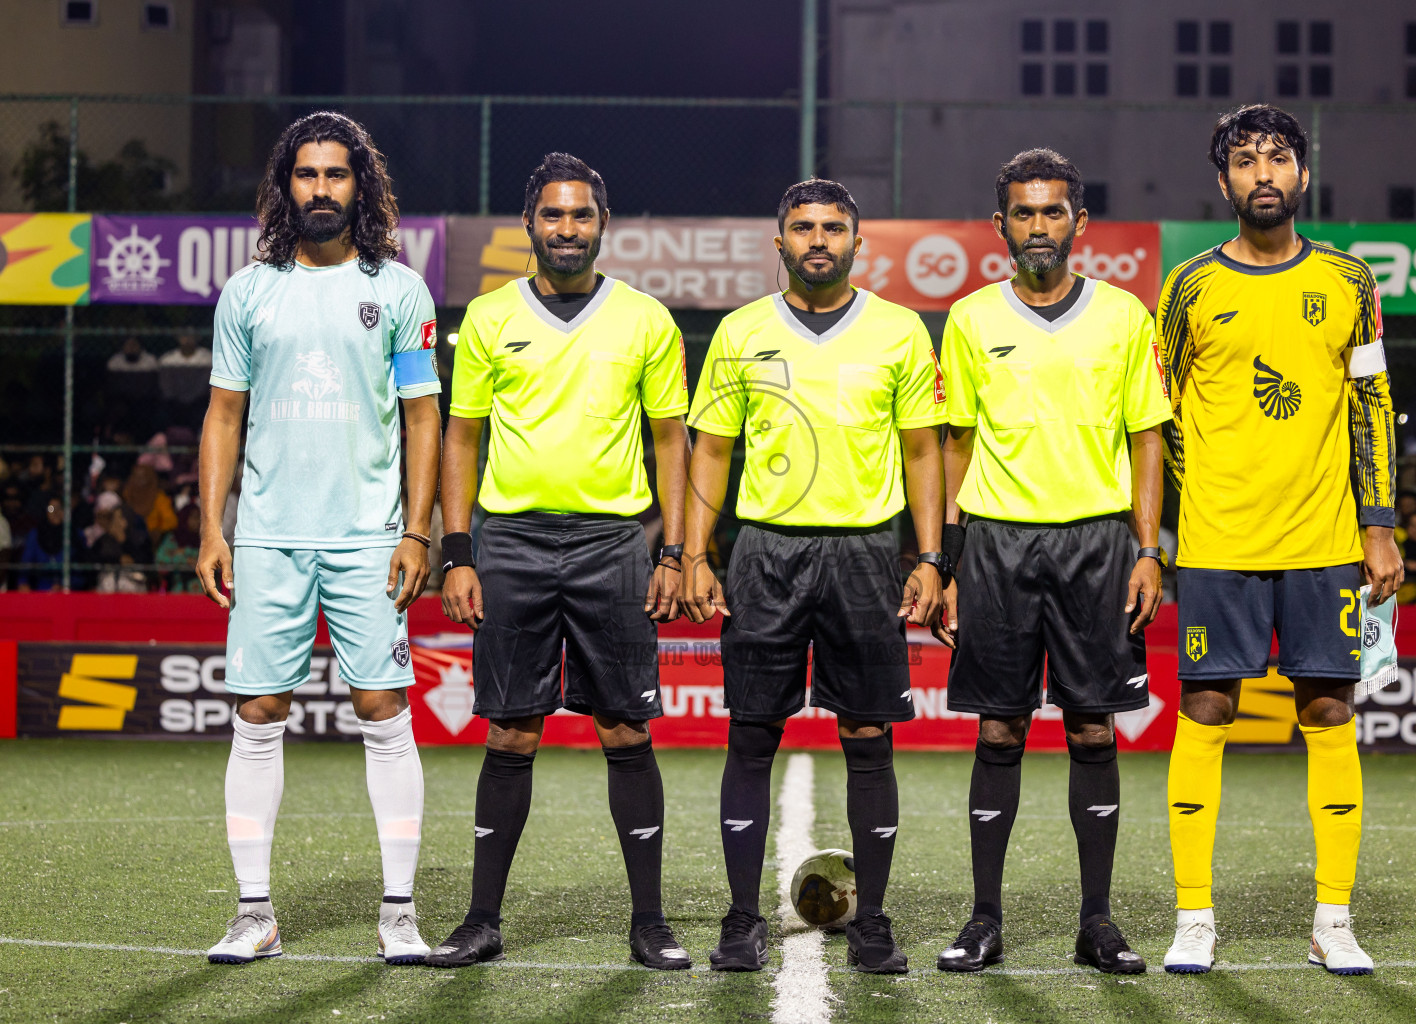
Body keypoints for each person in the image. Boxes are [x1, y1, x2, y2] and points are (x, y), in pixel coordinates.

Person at [426, 153, 693, 971]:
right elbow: (460, 436)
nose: (567, 229)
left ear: (602, 224)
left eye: (581, 215)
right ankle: (481, 920)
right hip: (509, 543)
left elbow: (671, 441)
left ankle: (648, 922)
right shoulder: (488, 315)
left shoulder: (646, 320)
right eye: (553, 215)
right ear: (529, 223)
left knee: (624, 726)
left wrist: (677, 552)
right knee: (510, 730)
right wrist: (459, 549)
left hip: (613, 544)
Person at [1157, 105, 1401, 976]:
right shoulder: (1188, 286)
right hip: (1219, 544)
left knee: (1330, 712)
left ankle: (1332, 919)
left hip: (1326, 539)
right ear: (1222, 181)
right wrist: (1184, 517)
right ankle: (1194, 917)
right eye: (1246, 159)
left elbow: (1371, 405)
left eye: (1280, 157)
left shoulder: (1350, 280)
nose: (1265, 172)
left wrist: (1378, 524)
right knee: (1206, 710)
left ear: (1303, 175)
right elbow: (1162, 417)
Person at [682, 178, 947, 975]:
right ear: (781, 242)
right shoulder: (740, 331)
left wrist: (932, 557)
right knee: (751, 737)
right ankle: (739, 920)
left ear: (857, 242)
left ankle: (872, 923)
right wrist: (695, 553)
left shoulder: (901, 331)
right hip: (766, 550)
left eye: (834, 227)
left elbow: (925, 451)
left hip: (866, 554)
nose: (819, 240)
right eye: (804, 228)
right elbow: (712, 451)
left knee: (869, 738)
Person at [196, 111, 442, 966]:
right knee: (258, 713)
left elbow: (423, 418)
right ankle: (253, 911)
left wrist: (418, 531)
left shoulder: (400, 290)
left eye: (338, 175)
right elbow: (223, 414)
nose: (322, 189)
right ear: (286, 186)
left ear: (361, 187)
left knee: (383, 710)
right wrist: (211, 527)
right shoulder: (249, 291)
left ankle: (400, 912)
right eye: (308, 175)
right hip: (266, 537)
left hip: (370, 538)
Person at [932, 149, 1171, 975]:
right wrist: (950, 562)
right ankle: (984, 919)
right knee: (999, 729)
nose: (1040, 226)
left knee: (1092, 726)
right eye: (1024, 213)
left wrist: (1149, 549)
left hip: (1098, 545)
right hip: (998, 544)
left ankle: (1097, 922)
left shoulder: (1124, 317)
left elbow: (1148, 438)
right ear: (1000, 226)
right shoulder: (968, 319)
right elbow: (954, 444)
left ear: (1080, 222)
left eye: (1054, 211)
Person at [122, 463, 177, 547]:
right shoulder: (126, 494)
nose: (139, 481)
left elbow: (171, 521)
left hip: (153, 542)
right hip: (128, 540)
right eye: (136, 477)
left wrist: (158, 531)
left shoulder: (159, 498)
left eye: (143, 477)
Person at [156, 504, 202, 592]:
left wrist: (183, 552)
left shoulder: (205, 539)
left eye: (199, 517)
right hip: (178, 591)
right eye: (194, 517)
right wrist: (186, 560)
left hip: (201, 592)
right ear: (184, 518)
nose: (197, 521)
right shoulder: (173, 539)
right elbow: (160, 560)